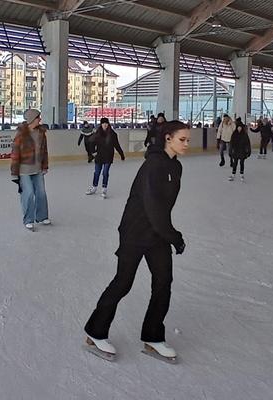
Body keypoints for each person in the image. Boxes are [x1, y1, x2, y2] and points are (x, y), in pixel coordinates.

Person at [84, 121, 189, 363]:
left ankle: (153, 337)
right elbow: (153, 208)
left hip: (157, 233)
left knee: (163, 282)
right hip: (135, 232)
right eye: (182, 139)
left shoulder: (176, 166)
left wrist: (168, 234)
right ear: (167, 138)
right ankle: (95, 331)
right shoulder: (153, 166)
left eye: (187, 140)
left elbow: (163, 209)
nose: (186, 144)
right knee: (123, 283)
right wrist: (174, 236)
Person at [10, 108, 50, 230]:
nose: (40, 120)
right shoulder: (21, 135)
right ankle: (28, 219)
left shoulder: (41, 133)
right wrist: (14, 173)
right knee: (28, 194)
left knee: (41, 193)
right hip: (24, 171)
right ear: (32, 119)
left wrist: (45, 166)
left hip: (37, 169)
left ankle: (42, 216)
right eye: (38, 118)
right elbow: (15, 154)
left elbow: (44, 151)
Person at [85, 117, 125, 198]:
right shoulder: (97, 133)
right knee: (97, 172)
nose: (105, 125)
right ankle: (94, 187)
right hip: (99, 156)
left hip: (108, 156)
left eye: (106, 123)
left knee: (105, 172)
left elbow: (117, 145)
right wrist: (93, 152)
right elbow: (91, 143)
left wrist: (121, 154)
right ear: (101, 124)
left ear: (108, 124)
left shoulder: (113, 134)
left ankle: (104, 189)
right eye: (103, 123)